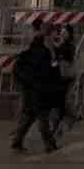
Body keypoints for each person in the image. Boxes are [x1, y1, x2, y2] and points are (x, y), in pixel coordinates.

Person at [7, 25, 64, 154]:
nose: (56, 38)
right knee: (42, 119)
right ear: (47, 38)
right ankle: (50, 145)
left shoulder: (32, 51)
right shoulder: (44, 53)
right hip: (39, 91)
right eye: (54, 35)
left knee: (29, 117)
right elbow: (48, 73)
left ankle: (17, 142)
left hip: (31, 90)